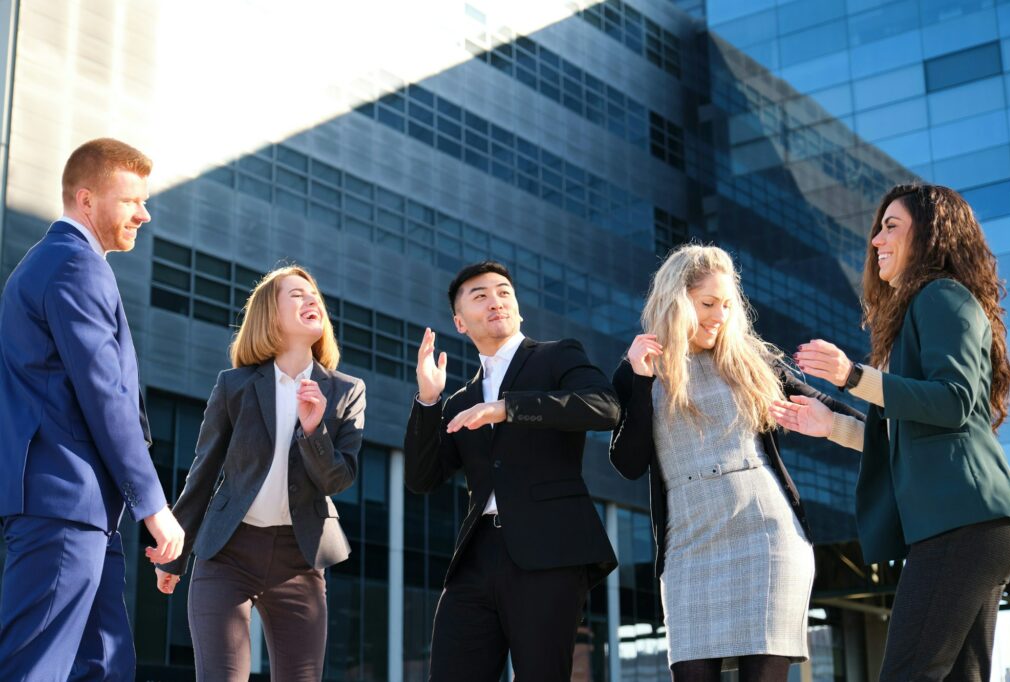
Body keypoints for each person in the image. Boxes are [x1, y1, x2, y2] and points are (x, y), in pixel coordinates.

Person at [774, 184, 1010, 680]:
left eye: (892, 226)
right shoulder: (924, 309)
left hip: (961, 520)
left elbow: (953, 402)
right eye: (877, 227)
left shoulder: (942, 295)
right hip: (975, 524)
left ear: (929, 236)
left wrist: (851, 376)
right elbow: (911, 433)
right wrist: (834, 426)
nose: (875, 240)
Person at [609, 244, 863, 681]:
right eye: (708, 303)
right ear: (676, 299)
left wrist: (894, 427)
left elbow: (840, 416)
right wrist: (640, 380)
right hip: (689, 547)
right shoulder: (638, 370)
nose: (719, 315)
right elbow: (628, 463)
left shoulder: (753, 361)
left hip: (765, 538)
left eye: (727, 305)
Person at [0, 138, 185, 680]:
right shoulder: (72, 266)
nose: (144, 214)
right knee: (37, 668)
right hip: (63, 506)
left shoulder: (58, 263)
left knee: (105, 664)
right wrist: (154, 506)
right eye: (131, 201)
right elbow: (106, 396)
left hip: (85, 513)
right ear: (86, 200)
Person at [404, 260, 619, 681]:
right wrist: (428, 400)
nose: (495, 301)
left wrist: (509, 409)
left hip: (548, 548)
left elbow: (605, 407)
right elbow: (421, 478)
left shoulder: (558, 355)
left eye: (503, 292)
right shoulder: (460, 402)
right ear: (460, 322)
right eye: (480, 296)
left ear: (518, 308)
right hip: (477, 556)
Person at [153, 265, 365, 681]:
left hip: (300, 560)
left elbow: (338, 480)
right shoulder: (235, 385)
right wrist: (174, 554)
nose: (312, 301)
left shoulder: (345, 390)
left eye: (314, 295)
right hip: (228, 553)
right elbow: (203, 471)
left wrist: (313, 429)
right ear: (270, 314)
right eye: (297, 295)